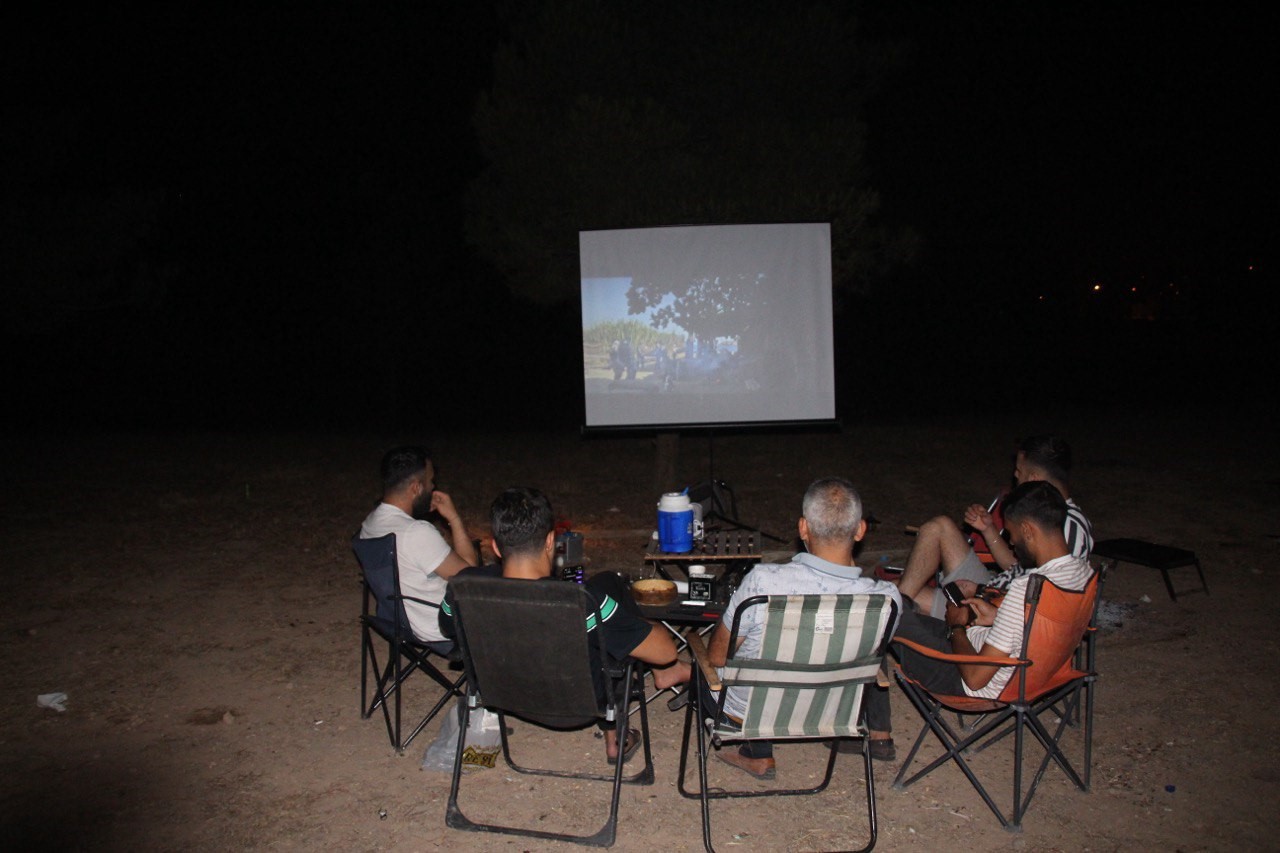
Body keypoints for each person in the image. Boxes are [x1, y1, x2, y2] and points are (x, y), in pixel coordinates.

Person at [439, 487, 691, 764]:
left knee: (606, 581)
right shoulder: (577, 602)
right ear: (550, 542)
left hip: (505, 697)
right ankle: (614, 736)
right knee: (610, 617)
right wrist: (636, 624)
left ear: (496, 546)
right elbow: (665, 653)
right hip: (579, 708)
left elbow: (449, 628)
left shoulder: (463, 588)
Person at [706, 477, 903, 780]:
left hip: (750, 712)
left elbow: (718, 658)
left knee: (701, 668)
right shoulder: (885, 601)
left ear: (803, 528)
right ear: (861, 529)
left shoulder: (764, 583)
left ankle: (754, 750)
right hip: (835, 710)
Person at [888, 480, 1094, 703]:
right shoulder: (1083, 574)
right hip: (1026, 674)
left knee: (887, 610)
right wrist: (998, 618)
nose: (1012, 542)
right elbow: (1043, 628)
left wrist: (956, 626)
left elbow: (975, 679)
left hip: (969, 680)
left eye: (1012, 533)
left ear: (1027, 529)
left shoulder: (1025, 588)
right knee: (905, 613)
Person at [895, 435, 1093, 619]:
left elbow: (1039, 603)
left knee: (892, 592)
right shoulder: (1049, 513)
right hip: (994, 587)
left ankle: (896, 616)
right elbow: (1017, 569)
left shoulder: (1064, 528)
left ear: (1034, 479)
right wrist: (988, 530)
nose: (1015, 476)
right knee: (940, 526)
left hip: (995, 608)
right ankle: (900, 607)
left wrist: (981, 592)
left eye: (1019, 471)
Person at [358, 446, 478, 645]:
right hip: (439, 627)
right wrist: (454, 518)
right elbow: (470, 577)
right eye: (431, 481)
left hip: (396, 622)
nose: (433, 487)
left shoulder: (369, 525)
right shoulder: (416, 532)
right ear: (416, 488)